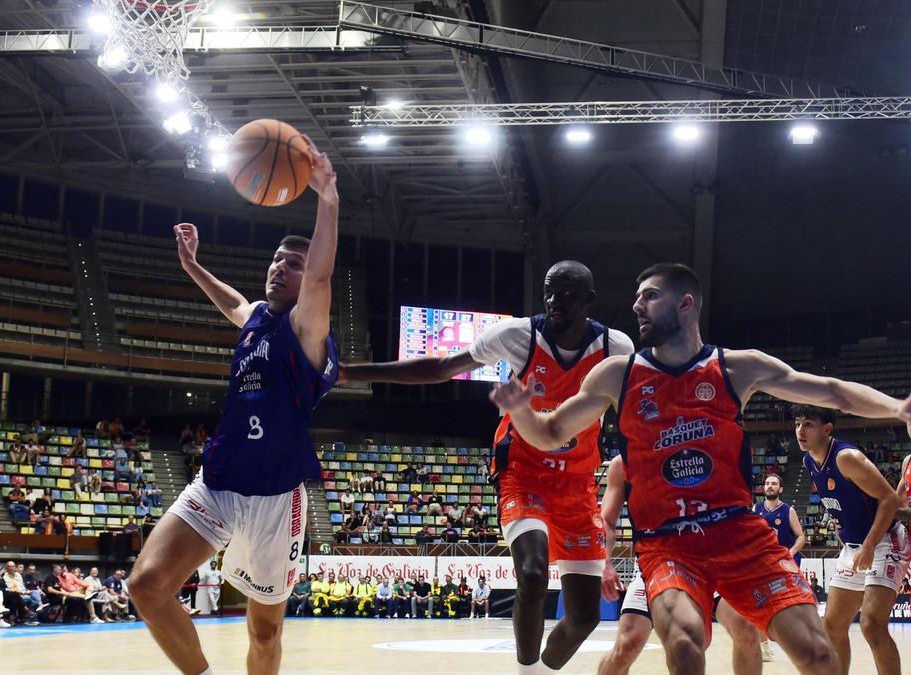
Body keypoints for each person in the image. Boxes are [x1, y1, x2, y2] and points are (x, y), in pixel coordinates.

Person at [491, 263, 911, 674]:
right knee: (685, 644)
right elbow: (550, 432)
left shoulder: (736, 367)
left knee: (818, 654)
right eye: (637, 298)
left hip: (738, 535)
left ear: (686, 303)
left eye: (650, 297)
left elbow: (833, 392)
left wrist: (897, 407)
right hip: (667, 543)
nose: (637, 306)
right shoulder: (618, 373)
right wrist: (520, 411)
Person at [343, 261, 634, 673]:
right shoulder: (519, 335)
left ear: (588, 301)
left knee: (585, 617)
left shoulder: (615, 349)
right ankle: (526, 672)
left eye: (567, 294)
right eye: (549, 292)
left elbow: (639, 412)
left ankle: (544, 670)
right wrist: (352, 371)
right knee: (532, 573)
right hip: (523, 471)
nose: (554, 301)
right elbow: (442, 367)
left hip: (577, 483)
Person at [131, 139, 338, 675]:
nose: (280, 269)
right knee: (146, 587)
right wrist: (192, 264)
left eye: (292, 264)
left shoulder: (307, 332)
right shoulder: (257, 323)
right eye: (276, 260)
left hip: (276, 495)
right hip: (220, 480)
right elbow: (233, 302)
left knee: (264, 633)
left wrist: (328, 198)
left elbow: (319, 278)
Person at [597, 456, 761, 675]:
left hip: (711, 561)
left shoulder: (705, 446)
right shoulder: (624, 462)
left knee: (746, 628)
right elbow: (606, 521)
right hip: (656, 561)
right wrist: (604, 561)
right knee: (628, 643)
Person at [797, 405, 908, 675]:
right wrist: (841, 523)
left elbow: (890, 500)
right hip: (854, 545)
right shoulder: (808, 461)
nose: (800, 430)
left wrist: (869, 545)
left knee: (871, 624)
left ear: (827, 429)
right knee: (832, 624)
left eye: (808, 424)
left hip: (884, 540)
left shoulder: (846, 457)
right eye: (798, 423)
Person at [752, 473, 807, 662]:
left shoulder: (788, 510)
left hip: (785, 564)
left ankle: (800, 643)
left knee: (791, 607)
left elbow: (801, 537)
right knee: (758, 605)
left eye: (774, 484)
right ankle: (765, 648)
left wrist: (789, 554)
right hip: (763, 564)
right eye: (767, 483)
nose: (769, 486)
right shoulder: (756, 508)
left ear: (780, 489)